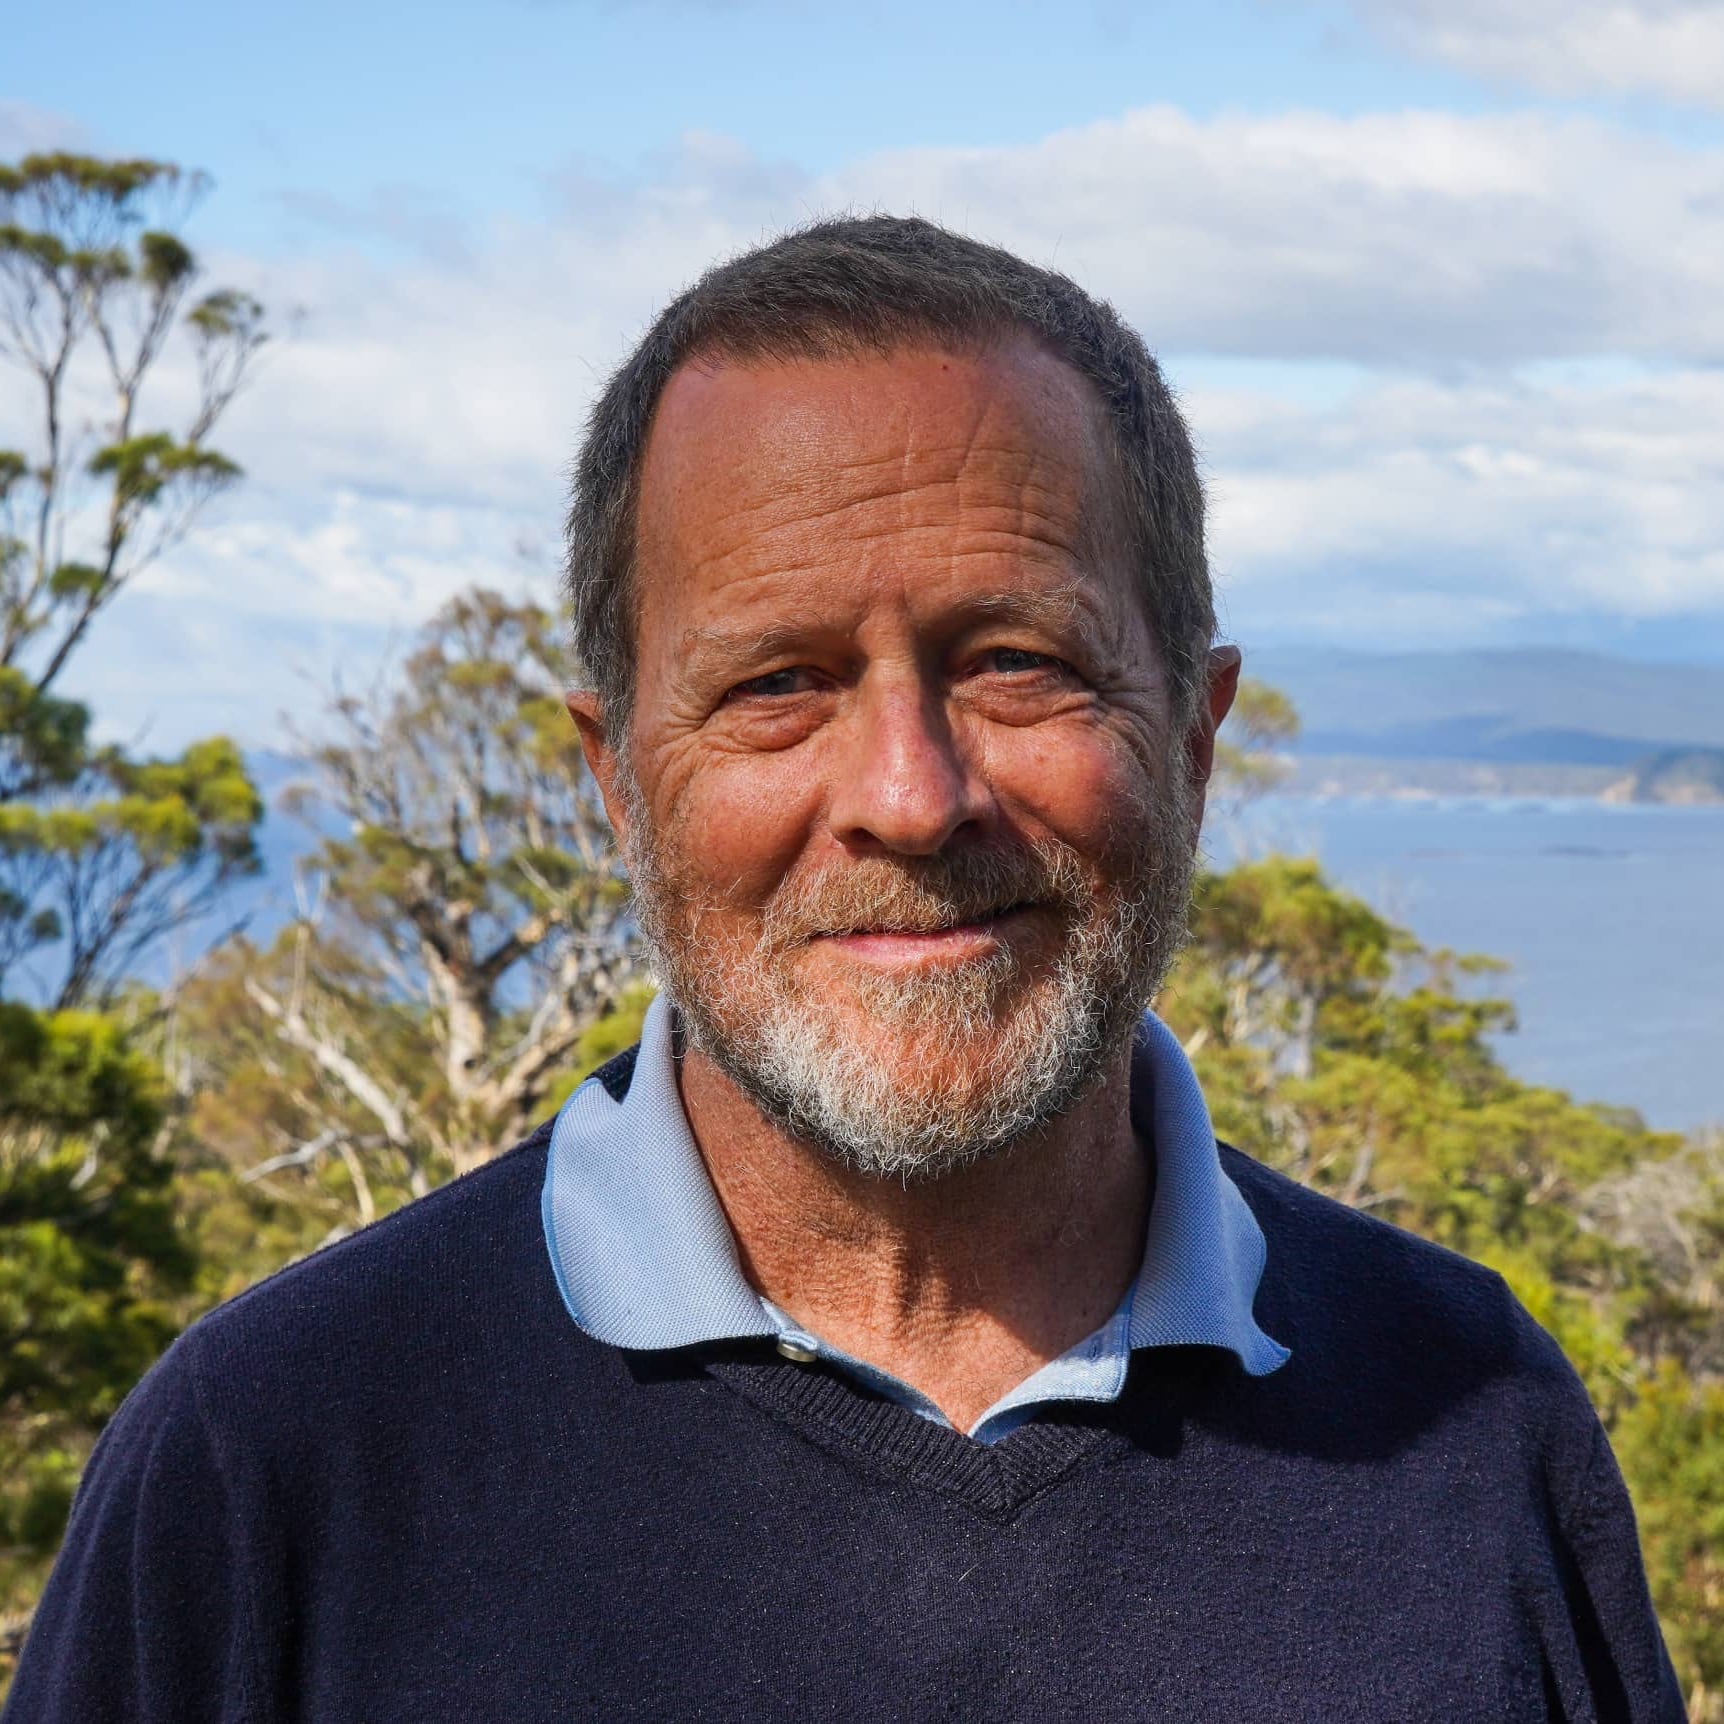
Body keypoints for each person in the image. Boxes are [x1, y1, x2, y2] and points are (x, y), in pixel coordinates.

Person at [7, 216, 1682, 1723]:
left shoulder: (1469, 1420)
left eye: (1017, 663)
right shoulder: (271, 1460)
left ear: (1195, 734)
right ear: (616, 779)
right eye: (777, 685)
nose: (908, 795)